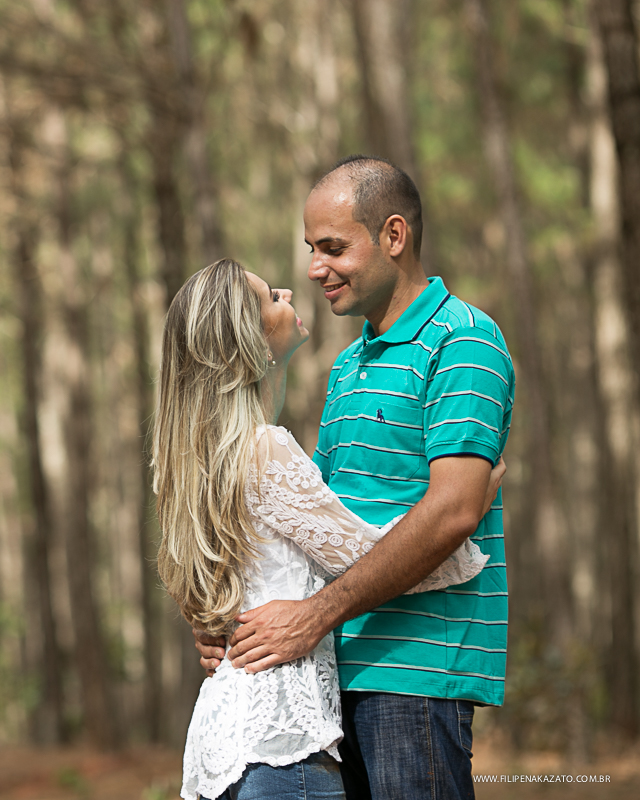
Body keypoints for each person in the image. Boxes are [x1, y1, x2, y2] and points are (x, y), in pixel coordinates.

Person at [195, 156, 515, 800]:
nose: (315, 269)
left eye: (334, 248)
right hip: (330, 679)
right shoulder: (346, 367)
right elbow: (312, 529)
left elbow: (454, 512)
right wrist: (230, 622)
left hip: (415, 671)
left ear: (394, 236)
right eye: (311, 249)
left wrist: (315, 615)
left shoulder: (463, 341)